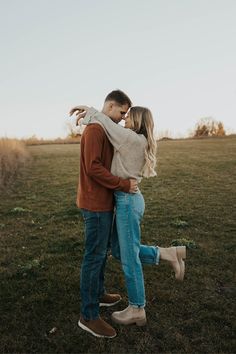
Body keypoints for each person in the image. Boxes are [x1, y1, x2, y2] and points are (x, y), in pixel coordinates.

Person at [71, 105, 187, 328]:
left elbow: (105, 122)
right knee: (118, 250)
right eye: (123, 115)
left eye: (128, 116)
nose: (124, 120)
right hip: (127, 200)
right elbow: (107, 123)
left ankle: (137, 308)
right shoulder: (135, 138)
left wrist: (90, 111)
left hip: (127, 202)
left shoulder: (132, 139)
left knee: (129, 258)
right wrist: (92, 111)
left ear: (137, 120)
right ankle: (168, 253)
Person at [69, 90, 138, 339]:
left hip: (103, 201)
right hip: (95, 203)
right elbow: (93, 167)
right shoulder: (96, 130)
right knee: (94, 256)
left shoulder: (104, 125)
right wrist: (123, 185)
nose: (122, 118)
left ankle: (98, 295)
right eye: (121, 112)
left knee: (100, 254)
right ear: (110, 106)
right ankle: (88, 316)